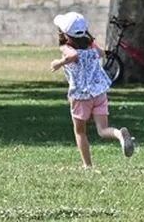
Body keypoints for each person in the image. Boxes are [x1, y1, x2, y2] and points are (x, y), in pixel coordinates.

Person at [49, 12, 135, 169]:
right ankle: (119, 135)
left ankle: (87, 165)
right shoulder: (91, 45)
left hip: (81, 96)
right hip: (99, 93)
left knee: (80, 131)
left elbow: (73, 55)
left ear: (66, 35)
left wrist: (59, 63)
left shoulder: (66, 47)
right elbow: (102, 53)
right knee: (103, 130)